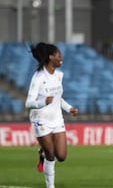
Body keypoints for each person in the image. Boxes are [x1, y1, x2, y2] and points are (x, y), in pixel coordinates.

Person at [25, 42, 78, 188]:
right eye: (58, 55)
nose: (61, 58)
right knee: (50, 154)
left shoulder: (59, 75)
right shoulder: (39, 77)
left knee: (61, 156)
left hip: (56, 119)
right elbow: (28, 102)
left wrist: (69, 108)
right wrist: (43, 102)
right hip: (40, 119)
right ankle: (50, 186)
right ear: (50, 57)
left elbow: (57, 97)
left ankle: (41, 152)